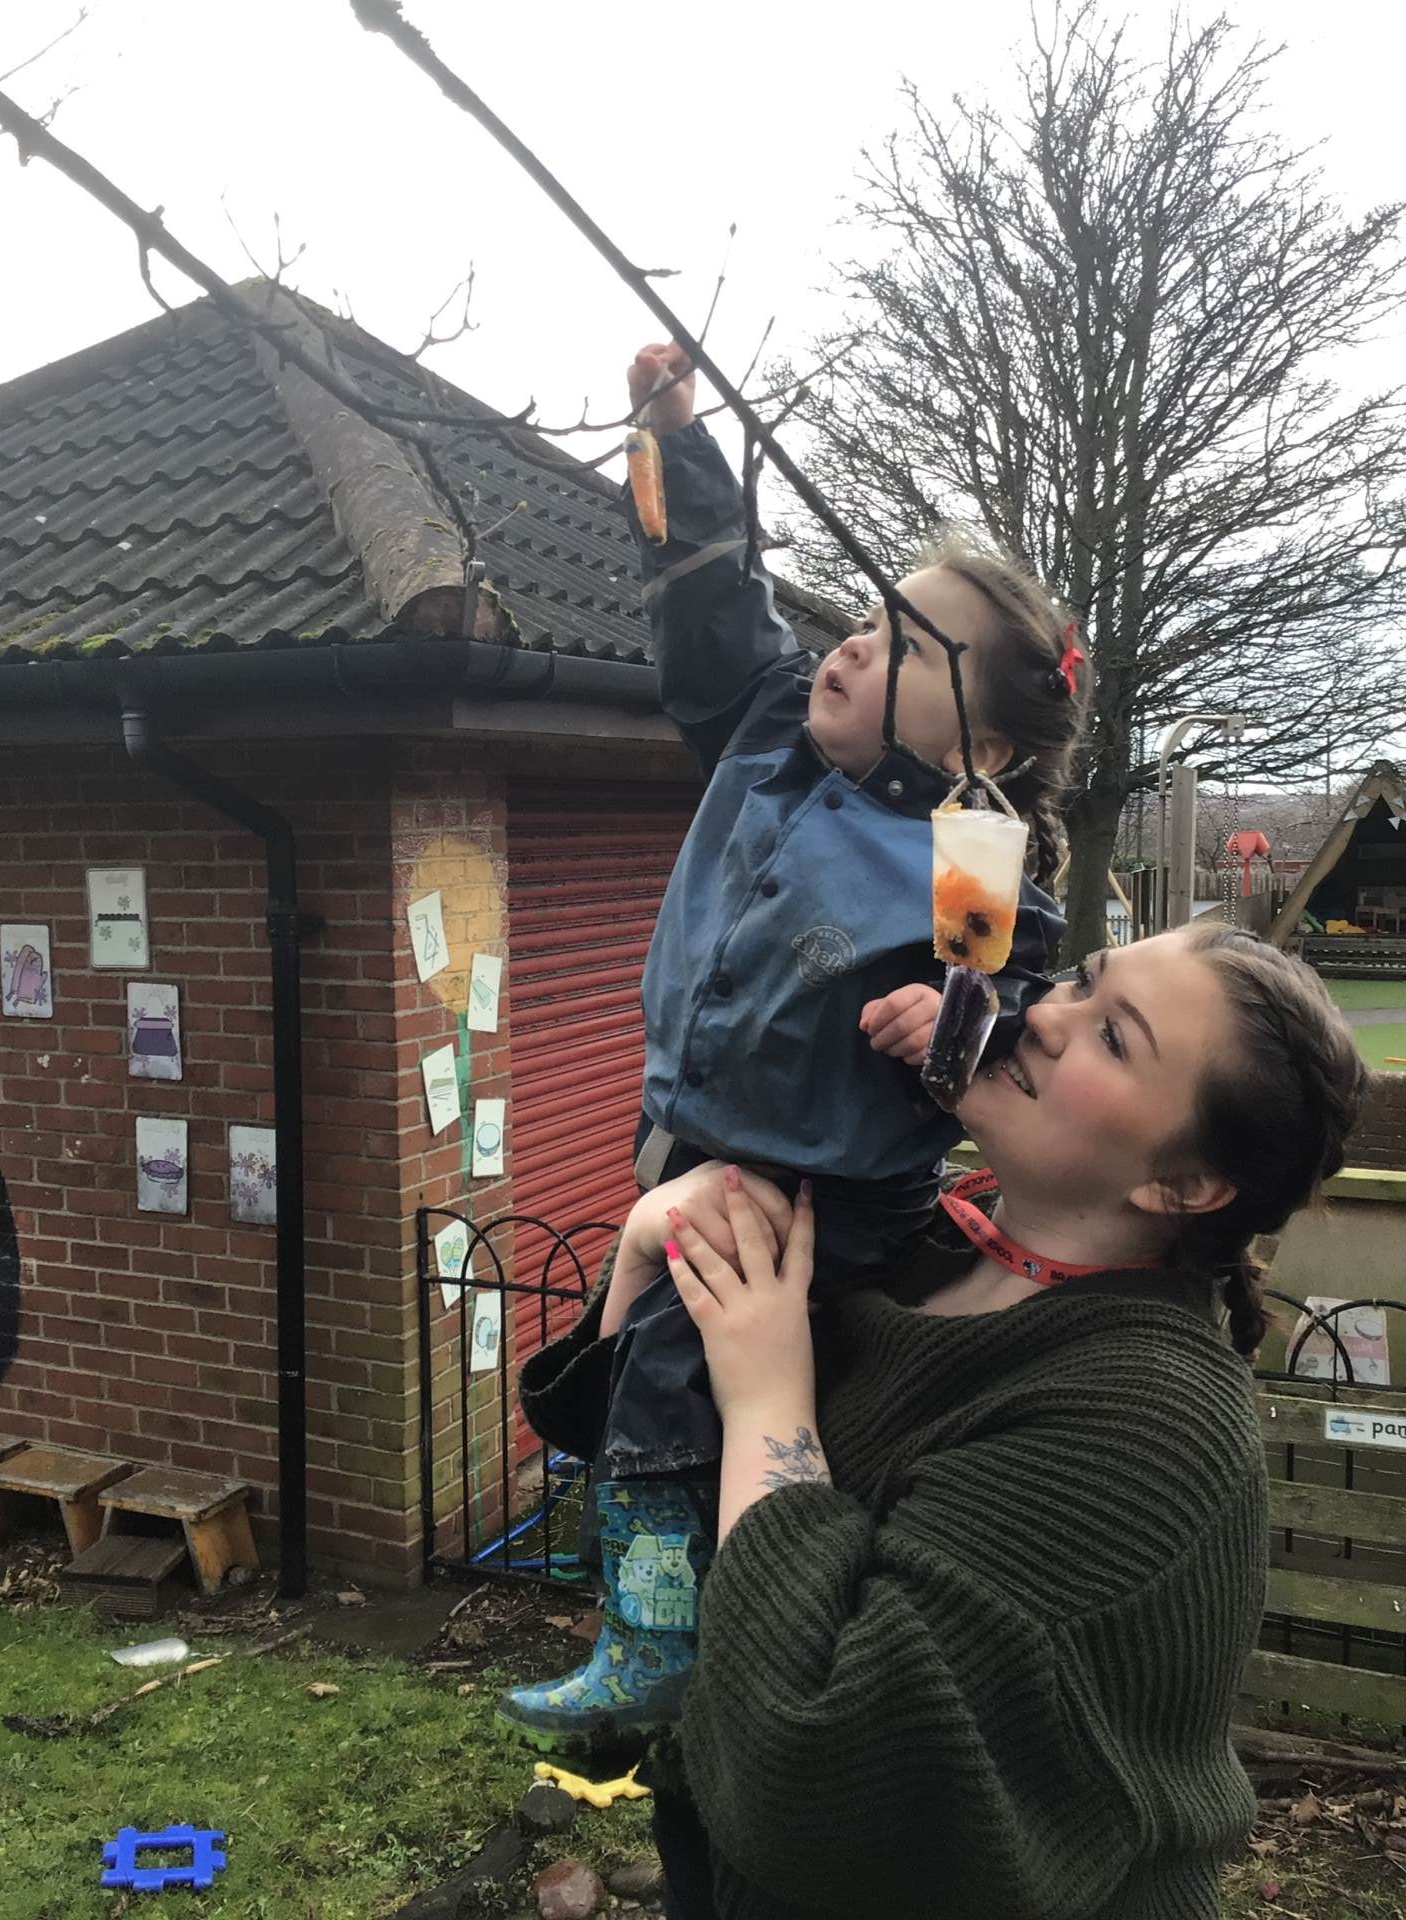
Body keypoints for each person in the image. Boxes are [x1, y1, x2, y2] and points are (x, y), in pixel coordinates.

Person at [515, 922, 1368, 1919]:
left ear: (1183, 1185)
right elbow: (658, 1480)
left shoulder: (1151, 1428)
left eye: (1113, 1037)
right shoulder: (915, 1243)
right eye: (1080, 980)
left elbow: (820, 1772)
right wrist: (649, 1253)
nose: (1043, 1015)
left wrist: (769, 1398)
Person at [498, 343, 1093, 1755]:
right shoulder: (769, 732)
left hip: (831, 1186)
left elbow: (1010, 1006)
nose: (858, 643)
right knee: (647, 1350)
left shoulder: (967, 850)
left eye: (908, 648)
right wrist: (676, 435)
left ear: (991, 749)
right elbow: (714, 606)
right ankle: (658, 1596)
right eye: (871, 616)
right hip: (697, 1139)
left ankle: (659, 1635)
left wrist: (957, 1020)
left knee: (672, 1362)